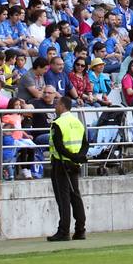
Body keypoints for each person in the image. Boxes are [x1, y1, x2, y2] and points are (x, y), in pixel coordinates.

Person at [47, 94, 88, 241]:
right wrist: (77, 158)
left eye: (57, 104)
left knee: (63, 198)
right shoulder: (78, 122)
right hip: (75, 163)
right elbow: (85, 144)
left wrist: (69, 157)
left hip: (61, 163)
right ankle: (80, 230)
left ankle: (64, 231)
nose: (55, 106)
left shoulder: (57, 123)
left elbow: (58, 146)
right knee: (75, 196)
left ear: (63, 106)